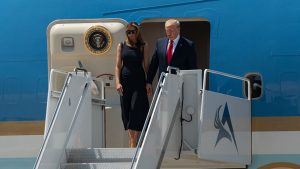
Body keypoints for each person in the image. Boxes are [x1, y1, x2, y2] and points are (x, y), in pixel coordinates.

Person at [115, 22, 150, 148]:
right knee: (127, 111)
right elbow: (118, 66)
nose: (131, 34)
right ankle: (132, 140)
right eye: (128, 32)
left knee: (136, 110)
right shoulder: (121, 45)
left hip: (139, 82)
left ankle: (134, 141)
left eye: (133, 31)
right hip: (125, 82)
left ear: (137, 32)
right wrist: (117, 82)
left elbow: (146, 66)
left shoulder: (143, 46)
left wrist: (148, 82)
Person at [146, 19, 197, 94]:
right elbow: (154, 64)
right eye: (167, 30)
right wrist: (149, 81)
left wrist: (190, 87)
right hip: (163, 84)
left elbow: (192, 67)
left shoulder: (188, 45)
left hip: (180, 86)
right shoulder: (160, 43)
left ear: (178, 29)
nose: (168, 33)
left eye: (171, 30)